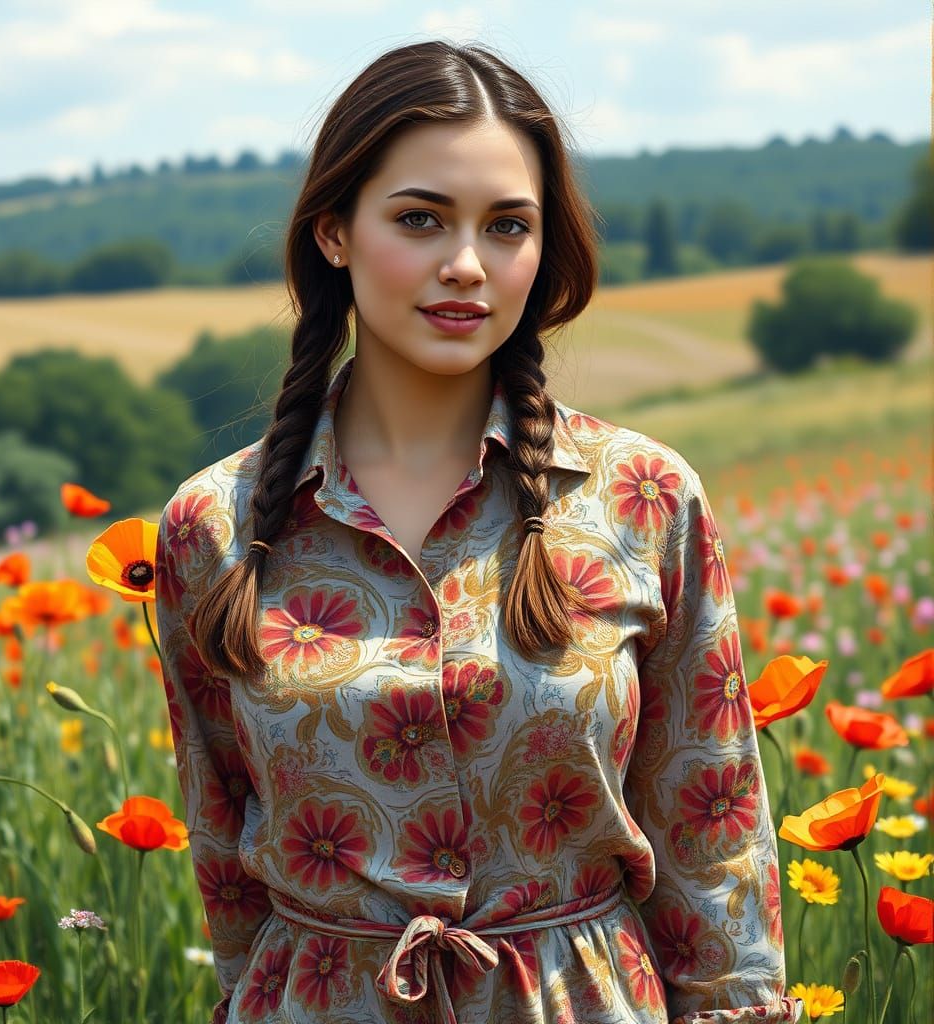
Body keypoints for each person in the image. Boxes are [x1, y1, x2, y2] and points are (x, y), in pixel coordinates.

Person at [153, 39, 802, 1024]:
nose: (465, 265)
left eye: (507, 225)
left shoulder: (642, 499)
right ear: (333, 231)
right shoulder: (215, 528)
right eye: (419, 219)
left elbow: (712, 834)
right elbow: (221, 848)